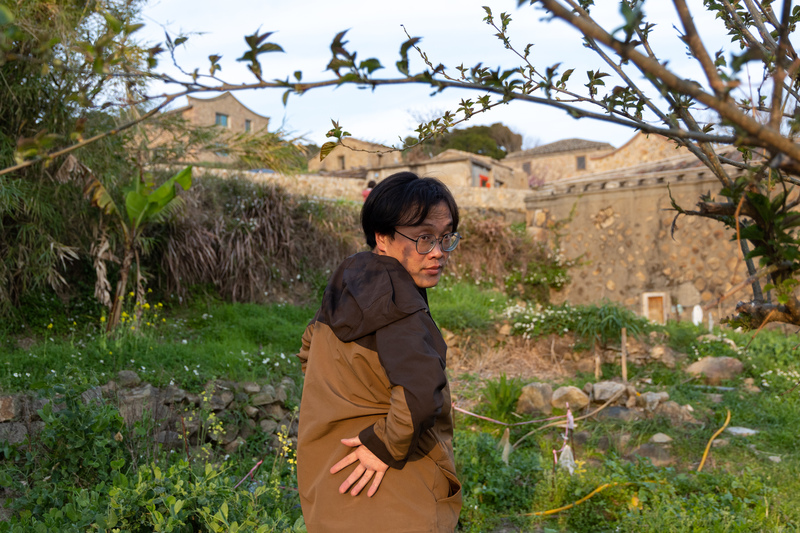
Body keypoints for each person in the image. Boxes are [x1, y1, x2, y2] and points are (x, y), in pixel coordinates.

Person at [296, 171, 463, 533]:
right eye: (422, 238)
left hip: (330, 477)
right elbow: (420, 393)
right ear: (382, 237)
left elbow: (309, 349)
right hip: (394, 491)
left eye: (445, 237)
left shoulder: (351, 279)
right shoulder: (398, 300)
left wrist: (346, 397)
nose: (437, 252)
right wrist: (384, 444)